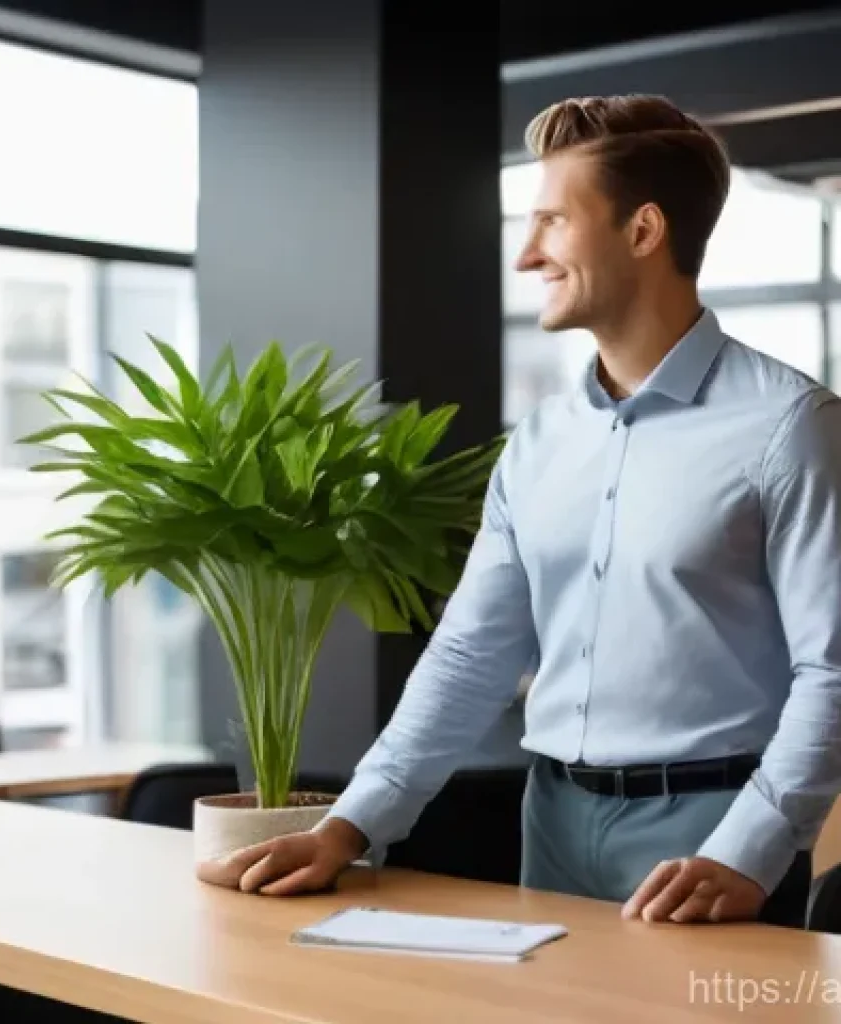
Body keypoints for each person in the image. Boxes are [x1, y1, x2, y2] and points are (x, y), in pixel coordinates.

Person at [199, 94, 841, 927]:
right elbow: (471, 655)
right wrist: (346, 827)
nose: (526, 255)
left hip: (710, 839)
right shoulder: (538, 443)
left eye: (551, 222)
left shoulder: (791, 426)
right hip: (551, 827)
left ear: (643, 230)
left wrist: (748, 851)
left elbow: (831, 670)